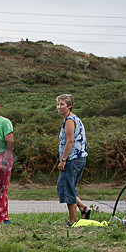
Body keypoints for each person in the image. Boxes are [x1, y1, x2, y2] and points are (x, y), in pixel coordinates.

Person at [56, 94, 91, 225]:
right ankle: (83, 208)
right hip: (78, 158)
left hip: (72, 159)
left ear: (69, 106)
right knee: (65, 186)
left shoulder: (70, 120)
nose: (59, 107)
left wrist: (63, 159)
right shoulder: (73, 118)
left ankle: (73, 220)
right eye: (58, 104)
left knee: (67, 188)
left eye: (62, 104)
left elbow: (70, 141)